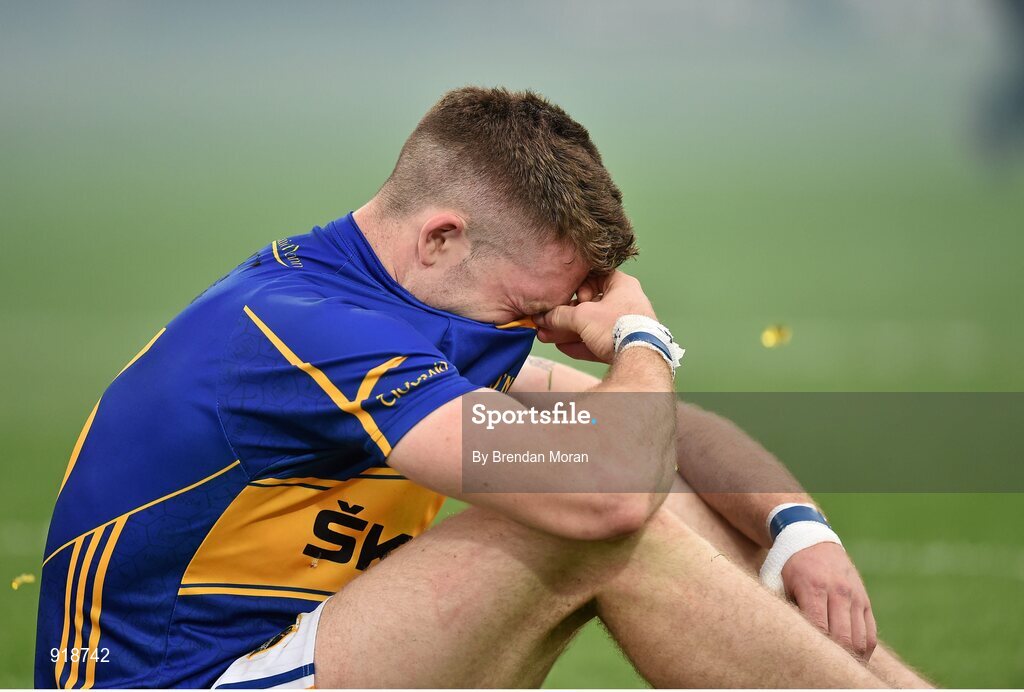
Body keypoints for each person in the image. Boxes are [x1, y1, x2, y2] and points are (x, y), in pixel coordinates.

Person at [36, 86, 930, 689]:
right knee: (596, 522)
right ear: (441, 237)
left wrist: (796, 525)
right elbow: (608, 497)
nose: (531, 331)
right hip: (185, 680)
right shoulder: (308, 327)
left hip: (293, 658)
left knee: (634, 469)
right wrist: (641, 336)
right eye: (525, 305)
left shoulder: (420, 313)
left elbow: (668, 436)